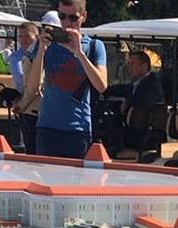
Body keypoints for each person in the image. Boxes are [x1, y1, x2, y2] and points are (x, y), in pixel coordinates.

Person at [18, 1, 108, 159]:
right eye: (62, 16)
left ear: (83, 17)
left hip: (78, 129)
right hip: (47, 128)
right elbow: (32, 87)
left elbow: (101, 86)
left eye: (73, 18)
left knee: (75, 175)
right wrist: (41, 51)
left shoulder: (94, 46)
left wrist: (79, 53)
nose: (67, 22)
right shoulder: (47, 44)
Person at [103, 49, 165, 154]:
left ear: (144, 66)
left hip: (144, 133)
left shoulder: (152, 83)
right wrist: (103, 89)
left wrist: (128, 102)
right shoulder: (136, 84)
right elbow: (122, 89)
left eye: (132, 64)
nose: (129, 67)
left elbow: (146, 99)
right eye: (128, 63)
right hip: (133, 128)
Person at [9, 21, 41, 154]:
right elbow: (19, 82)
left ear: (37, 37)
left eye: (27, 36)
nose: (23, 40)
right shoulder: (15, 57)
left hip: (37, 106)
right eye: (20, 37)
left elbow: (36, 85)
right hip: (23, 106)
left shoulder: (41, 56)